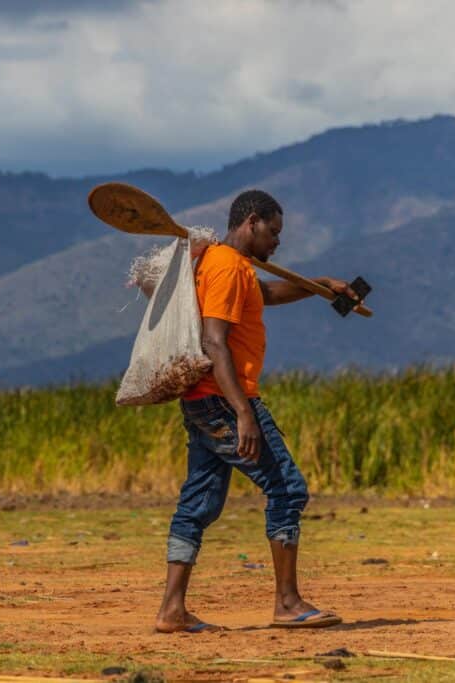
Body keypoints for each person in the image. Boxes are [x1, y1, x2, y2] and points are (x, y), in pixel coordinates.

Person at [155, 189, 359, 633]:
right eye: (274, 232)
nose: (278, 243)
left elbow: (264, 295)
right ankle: (287, 603)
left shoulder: (228, 267)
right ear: (251, 222)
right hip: (226, 399)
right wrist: (243, 413)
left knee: (198, 503)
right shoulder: (227, 267)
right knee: (287, 489)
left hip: (201, 401)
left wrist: (319, 286)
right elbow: (214, 342)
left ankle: (172, 611)